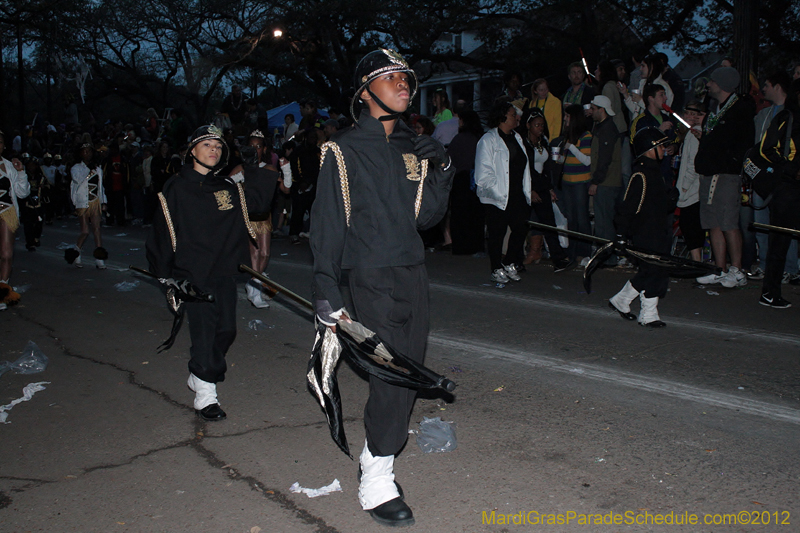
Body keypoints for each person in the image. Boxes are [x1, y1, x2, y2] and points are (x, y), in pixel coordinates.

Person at [310, 48, 453, 527]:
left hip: (412, 270)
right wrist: (325, 289)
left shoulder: (411, 149)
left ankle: (379, 458)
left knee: (409, 368)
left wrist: (443, 171)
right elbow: (328, 225)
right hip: (368, 276)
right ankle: (377, 474)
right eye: (390, 77)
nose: (403, 84)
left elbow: (426, 218)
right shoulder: (343, 149)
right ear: (365, 91)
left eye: (406, 78)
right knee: (391, 372)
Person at [146, 125, 277, 420]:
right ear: (192, 150)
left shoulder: (228, 187)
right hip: (192, 273)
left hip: (224, 271)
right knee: (204, 334)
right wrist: (166, 276)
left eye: (218, 146)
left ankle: (200, 373)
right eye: (206, 144)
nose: (214, 150)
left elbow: (258, 204)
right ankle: (206, 394)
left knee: (227, 330)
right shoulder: (176, 187)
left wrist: (254, 167)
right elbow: (163, 231)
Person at [694, 67, 755, 288]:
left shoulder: (740, 109)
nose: (708, 85)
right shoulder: (715, 110)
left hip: (727, 174)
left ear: (721, 84)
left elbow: (742, 142)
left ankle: (737, 270)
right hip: (709, 172)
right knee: (713, 222)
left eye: (712, 81)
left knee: (728, 221)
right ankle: (719, 269)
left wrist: (730, 162)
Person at [609, 128, 674, 327]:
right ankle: (648, 314)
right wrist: (621, 234)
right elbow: (628, 207)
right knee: (655, 270)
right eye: (660, 146)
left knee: (651, 270)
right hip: (645, 232)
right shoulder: (641, 174)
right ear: (649, 148)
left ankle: (621, 300)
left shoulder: (655, 172)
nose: (664, 149)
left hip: (658, 230)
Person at [229, 129, 289, 309]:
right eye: (252, 146)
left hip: (264, 217)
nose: (255, 149)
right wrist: (238, 180)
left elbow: (286, 189)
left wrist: (287, 169)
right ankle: (256, 289)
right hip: (248, 218)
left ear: (264, 149)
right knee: (254, 253)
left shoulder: (270, 169)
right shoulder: (242, 168)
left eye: (259, 146)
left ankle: (254, 283)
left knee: (265, 253)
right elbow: (225, 189)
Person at [475, 102, 531, 283]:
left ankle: (509, 262)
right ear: (503, 117)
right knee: (497, 233)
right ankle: (496, 267)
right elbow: (483, 173)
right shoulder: (488, 140)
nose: (517, 118)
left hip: (517, 194)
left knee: (521, 229)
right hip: (496, 196)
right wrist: (496, 191)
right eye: (513, 114)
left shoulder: (517, 138)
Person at [758, 78, 800, 308]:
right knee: (779, 242)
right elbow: (766, 148)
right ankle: (770, 292)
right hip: (786, 189)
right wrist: (791, 171)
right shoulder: (787, 117)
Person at [521, 109, 573, 272]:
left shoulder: (543, 142)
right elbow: (525, 168)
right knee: (522, 223)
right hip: (528, 186)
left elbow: (546, 167)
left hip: (542, 186)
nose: (540, 128)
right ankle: (515, 258)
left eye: (542, 125)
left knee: (549, 223)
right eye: (537, 125)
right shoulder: (523, 143)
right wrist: (531, 189)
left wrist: (549, 187)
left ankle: (558, 259)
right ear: (528, 125)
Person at [589, 95, 623, 263]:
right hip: (606, 181)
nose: (591, 111)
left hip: (607, 182)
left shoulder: (607, 129)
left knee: (604, 220)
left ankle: (608, 257)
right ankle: (607, 255)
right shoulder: (603, 127)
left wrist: (596, 181)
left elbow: (604, 159)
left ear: (601, 110)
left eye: (594, 109)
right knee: (604, 219)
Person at [557, 104, 594, 263]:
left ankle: (584, 252)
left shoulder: (586, 136)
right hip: (567, 182)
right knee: (571, 218)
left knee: (582, 218)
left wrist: (571, 147)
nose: (564, 118)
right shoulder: (567, 136)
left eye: (567, 116)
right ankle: (572, 253)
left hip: (580, 182)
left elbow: (587, 161)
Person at [446, 109, 485, 255]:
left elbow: (450, 160)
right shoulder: (480, 138)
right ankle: (476, 246)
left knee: (460, 215)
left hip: (462, 179)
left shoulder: (460, 139)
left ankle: (461, 247)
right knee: (476, 215)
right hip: (478, 179)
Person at [0, 130, 30, 311]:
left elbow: (22, 193)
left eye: (1, 142)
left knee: (6, 255)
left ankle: (2, 291)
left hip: (8, 213)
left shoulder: (10, 166)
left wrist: (21, 172)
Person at [675, 101, 708, 262]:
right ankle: (697, 260)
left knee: (690, 226)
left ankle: (697, 261)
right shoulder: (689, 133)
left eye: (693, 114)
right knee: (691, 225)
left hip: (692, 190)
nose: (689, 116)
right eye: (687, 112)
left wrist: (684, 187)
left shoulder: (695, 134)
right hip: (692, 189)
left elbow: (693, 164)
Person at [66, 143, 108, 269]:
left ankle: (99, 259)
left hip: (95, 202)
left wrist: (103, 201)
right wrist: (88, 170)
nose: (87, 154)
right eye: (84, 152)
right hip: (82, 202)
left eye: (89, 151)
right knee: (85, 231)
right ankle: (76, 252)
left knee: (97, 229)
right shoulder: (76, 168)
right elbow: (78, 179)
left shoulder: (98, 169)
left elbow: (101, 187)